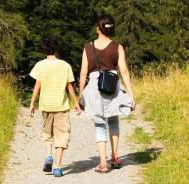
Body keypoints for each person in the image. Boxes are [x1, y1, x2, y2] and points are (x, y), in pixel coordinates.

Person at [77, 14, 136, 173]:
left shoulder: (88, 47)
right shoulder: (117, 47)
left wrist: (80, 95)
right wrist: (130, 95)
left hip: (95, 87)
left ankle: (103, 163)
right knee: (113, 120)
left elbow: (83, 73)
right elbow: (123, 71)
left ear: (98, 29)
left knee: (99, 123)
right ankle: (115, 157)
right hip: (112, 84)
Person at [29, 37, 80, 177]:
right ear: (56, 49)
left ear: (43, 49)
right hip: (61, 106)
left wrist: (32, 103)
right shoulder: (65, 65)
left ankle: (48, 155)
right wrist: (76, 103)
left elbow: (37, 86)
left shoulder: (40, 65)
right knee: (62, 135)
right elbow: (69, 87)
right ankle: (57, 166)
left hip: (46, 105)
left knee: (47, 133)